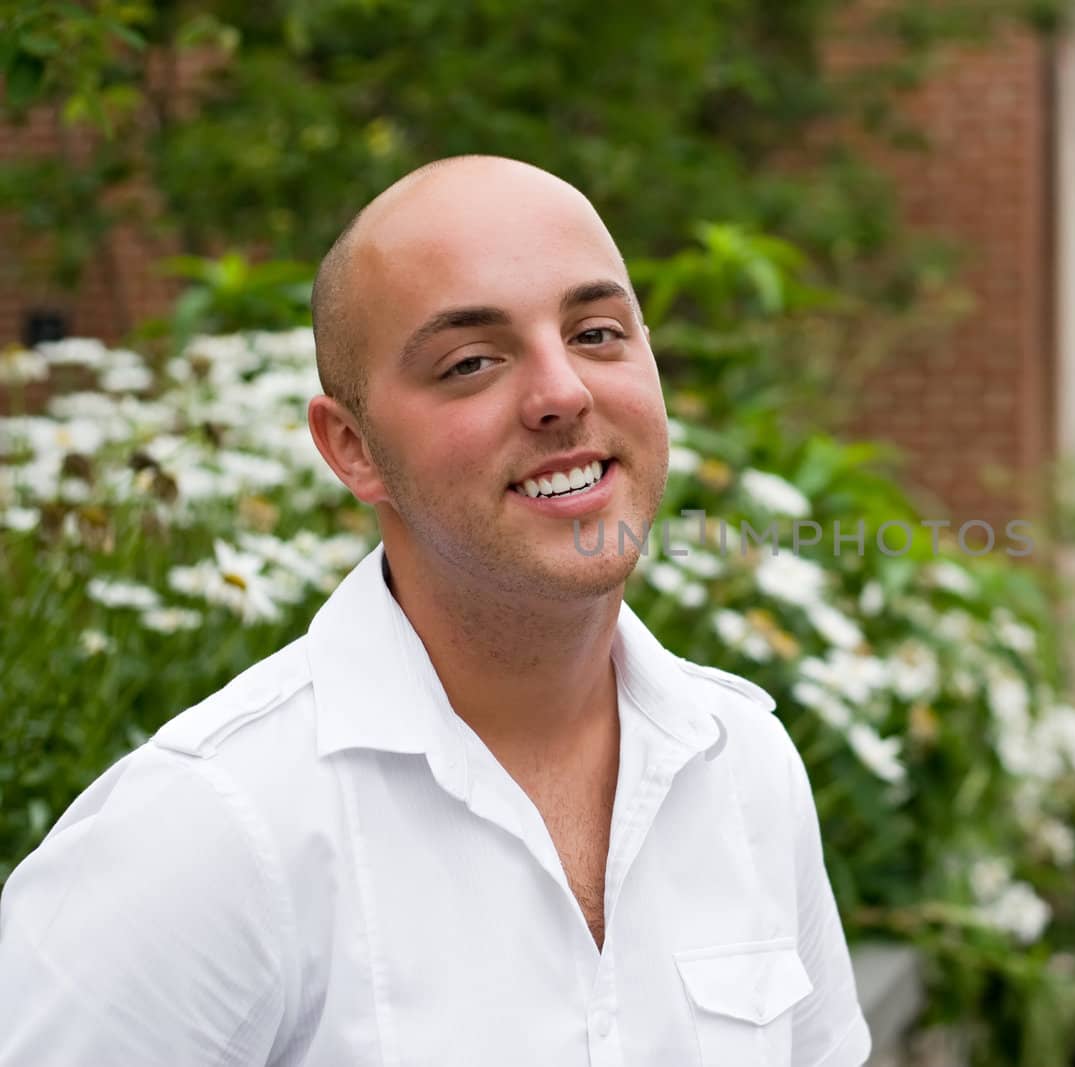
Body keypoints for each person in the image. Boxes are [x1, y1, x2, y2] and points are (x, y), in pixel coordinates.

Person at [0, 155, 871, 1067]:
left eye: (599, 332)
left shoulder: (744, 767)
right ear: (352, 447)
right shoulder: (208, 828)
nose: (563, 392)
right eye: (471, 362)